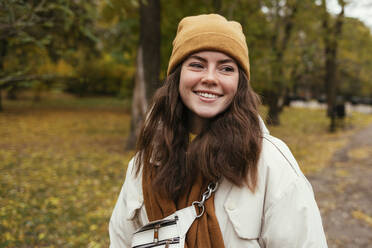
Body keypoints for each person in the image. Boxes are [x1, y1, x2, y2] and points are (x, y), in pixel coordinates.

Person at [109, 13, 328, 248]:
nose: (210, 78)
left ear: (239, 83)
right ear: (177, 75)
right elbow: (121, 240)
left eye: (226, 68)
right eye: (197, 65)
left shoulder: (269, 162)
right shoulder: (147, 161)